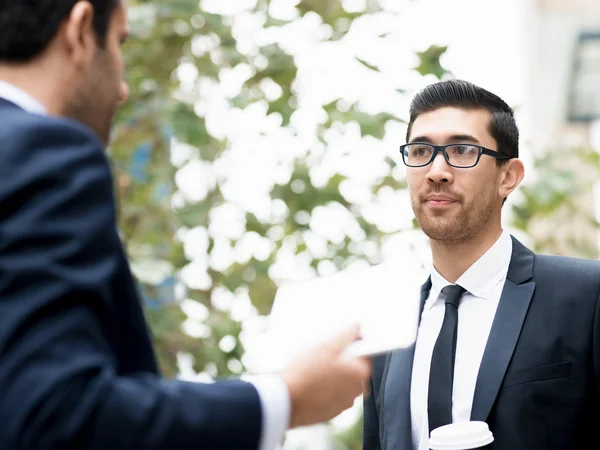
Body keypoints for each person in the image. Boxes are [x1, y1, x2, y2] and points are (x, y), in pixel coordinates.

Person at [0, 1, 372, 449]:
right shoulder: (46, 153)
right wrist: (285, 398)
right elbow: (54, 415)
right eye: (118, 45)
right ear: (80, 31)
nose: (121, 88)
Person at [358, 79, 600, 450]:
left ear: (508, 176)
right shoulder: (387, 325)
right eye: (421, 151)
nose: (437, 170)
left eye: (461, 150)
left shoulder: (586, 296)